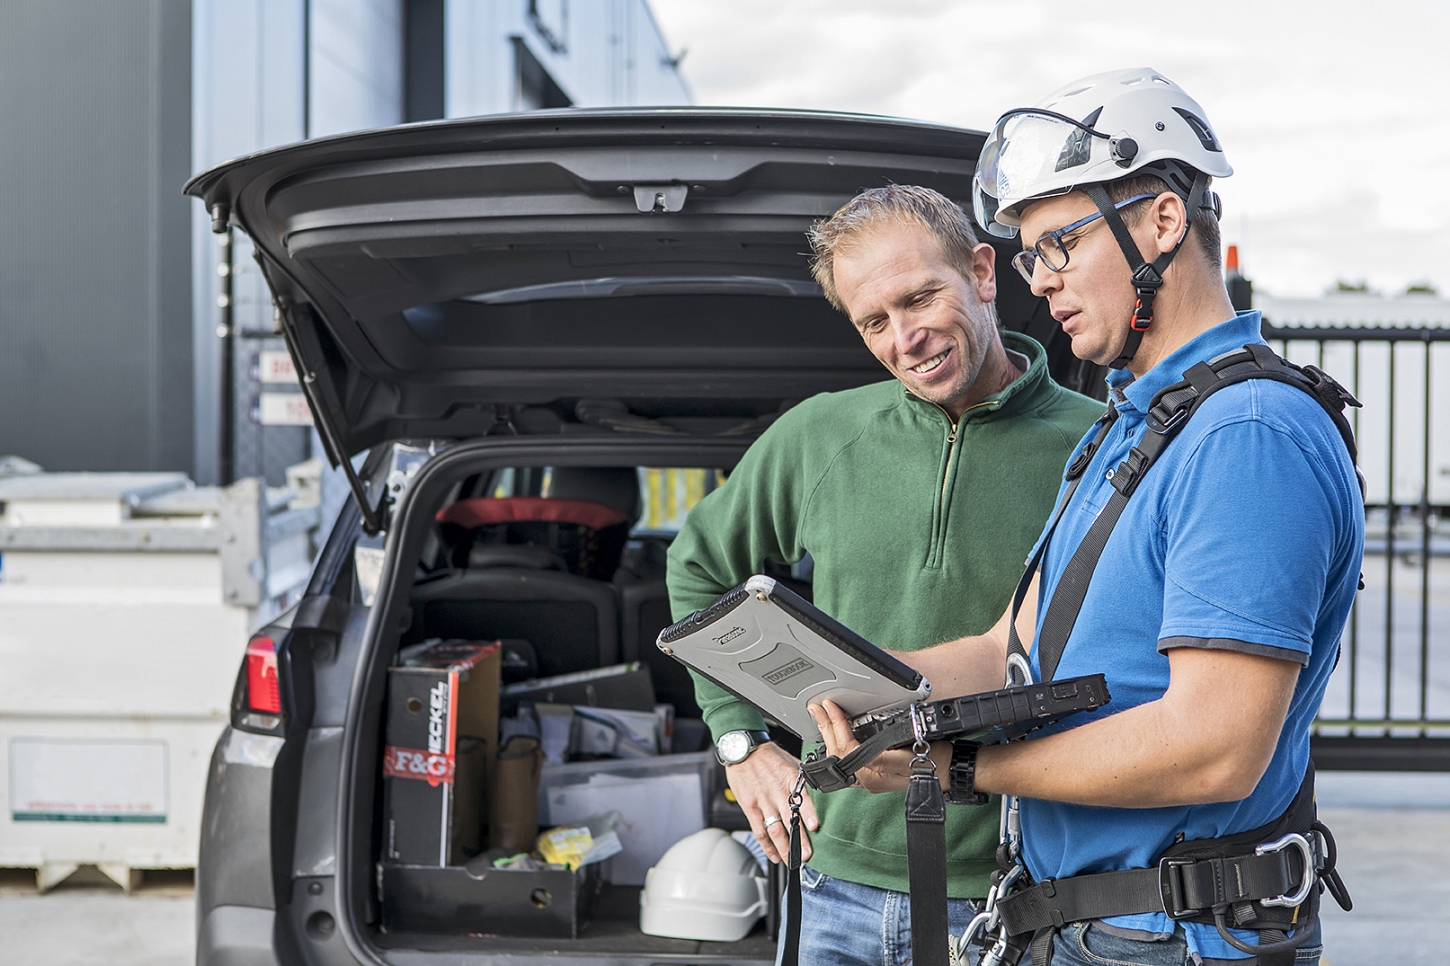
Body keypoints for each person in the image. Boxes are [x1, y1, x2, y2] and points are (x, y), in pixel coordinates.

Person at [811, 69, 1364, 966]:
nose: (1043, 281)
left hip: (1175, 935)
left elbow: (1213, 749)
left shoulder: (1248, 436)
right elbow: (1008, 650)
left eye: (1060, 245)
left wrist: (959, 771)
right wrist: (863, 688)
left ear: (1162, 220)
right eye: (1032, 257)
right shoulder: (1135, 426)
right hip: (1088, 927)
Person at [666, 184, 1104, 965]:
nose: (906, 338)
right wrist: (741, 743)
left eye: (919, 297)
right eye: (875, 321)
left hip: (1014, 892)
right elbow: (697, 566)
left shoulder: (1099, 448)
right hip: (831, 881)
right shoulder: (820, 433)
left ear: (981, 270)